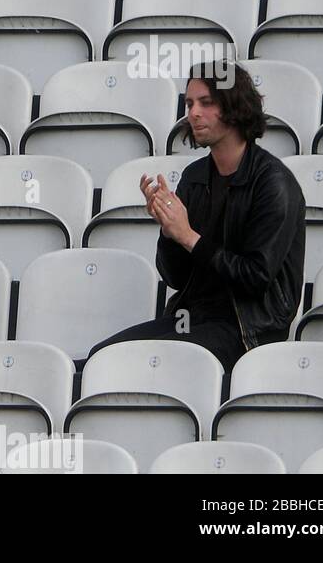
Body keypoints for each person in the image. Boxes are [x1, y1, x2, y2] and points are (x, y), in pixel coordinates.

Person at [87, 61, 305, 371]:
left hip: (249, 329)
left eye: (206, 103)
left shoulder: (274, 183)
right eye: (189, 103)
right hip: (191, 318)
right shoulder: (195, 176)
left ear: (234, 107)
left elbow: (255, 278)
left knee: (148, 364)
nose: (193, 113)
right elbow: (175, 278)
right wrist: (169, 230)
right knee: (102, 356)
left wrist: (188, 235)